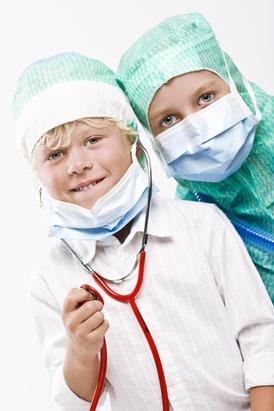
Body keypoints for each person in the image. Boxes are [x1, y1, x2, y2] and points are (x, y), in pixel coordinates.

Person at [13, 52, 274, 411]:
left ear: (133, 142)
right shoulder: (50, 277)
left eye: (92, 140)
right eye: (55, 154)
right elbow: (76, 401)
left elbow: (262, 340)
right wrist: (80, 350)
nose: (78, 164)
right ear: (35, 174)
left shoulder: (203, 225)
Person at [117, 12, 274, 303]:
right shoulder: (192, 222)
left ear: (234, 82)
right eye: (168, 120)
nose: (197, 127)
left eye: (206, 98)